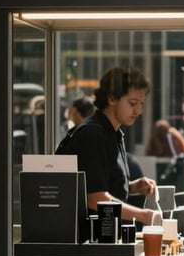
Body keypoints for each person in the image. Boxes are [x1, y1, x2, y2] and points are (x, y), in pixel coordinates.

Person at [61, 67, 158, 226]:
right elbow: (95, 198)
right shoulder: (92, 135)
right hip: (86, 242)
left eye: (141, 103)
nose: (139, 110)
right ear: (112, 99)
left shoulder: (112, 133)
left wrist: (132, 187)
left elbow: (99, 184)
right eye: (133, 103)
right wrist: (145, 216)